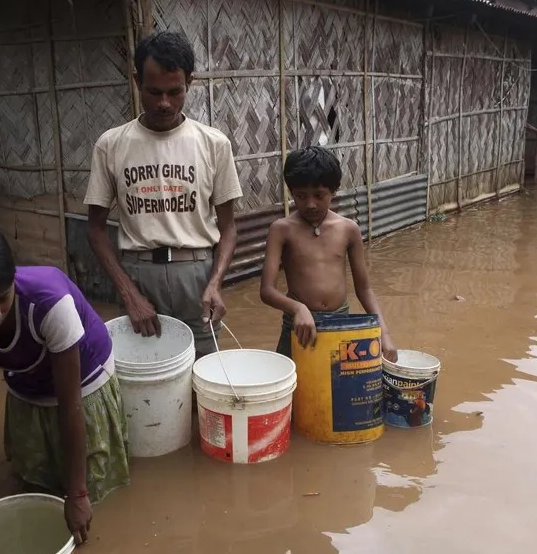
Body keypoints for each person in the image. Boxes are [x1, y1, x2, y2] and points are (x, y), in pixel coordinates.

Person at [0, 223, 129, 547]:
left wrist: (77, 493)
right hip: (26, 379)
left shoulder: (49, 302)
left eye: (2, 299)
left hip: (85, 378)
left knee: (90, 490)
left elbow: (70, 403)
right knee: (33, 480)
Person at [85, 30, 241, 358]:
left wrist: (214, 283)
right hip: (138, 273)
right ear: (137, 81)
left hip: (197, 275)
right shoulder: (111, 145)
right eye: (154, 92)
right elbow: (96, 229)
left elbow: (228, 228)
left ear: (190, 83)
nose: (164, 103)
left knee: (207, 376)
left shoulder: (214, 144)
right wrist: (128, 293)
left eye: (175, 92)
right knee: (146, 378)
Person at [259, 146, 397, 361]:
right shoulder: (281, 229)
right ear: (291, 192)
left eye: (319, 195)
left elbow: (365, 289)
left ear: (333, 191)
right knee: (292, 390)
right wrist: (297, 308)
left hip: (340, 326)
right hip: (298, 327)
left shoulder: (348, 229)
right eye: (301, 196)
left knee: (338, 390)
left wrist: (384, 334)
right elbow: (267, 291)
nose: (310, 204)